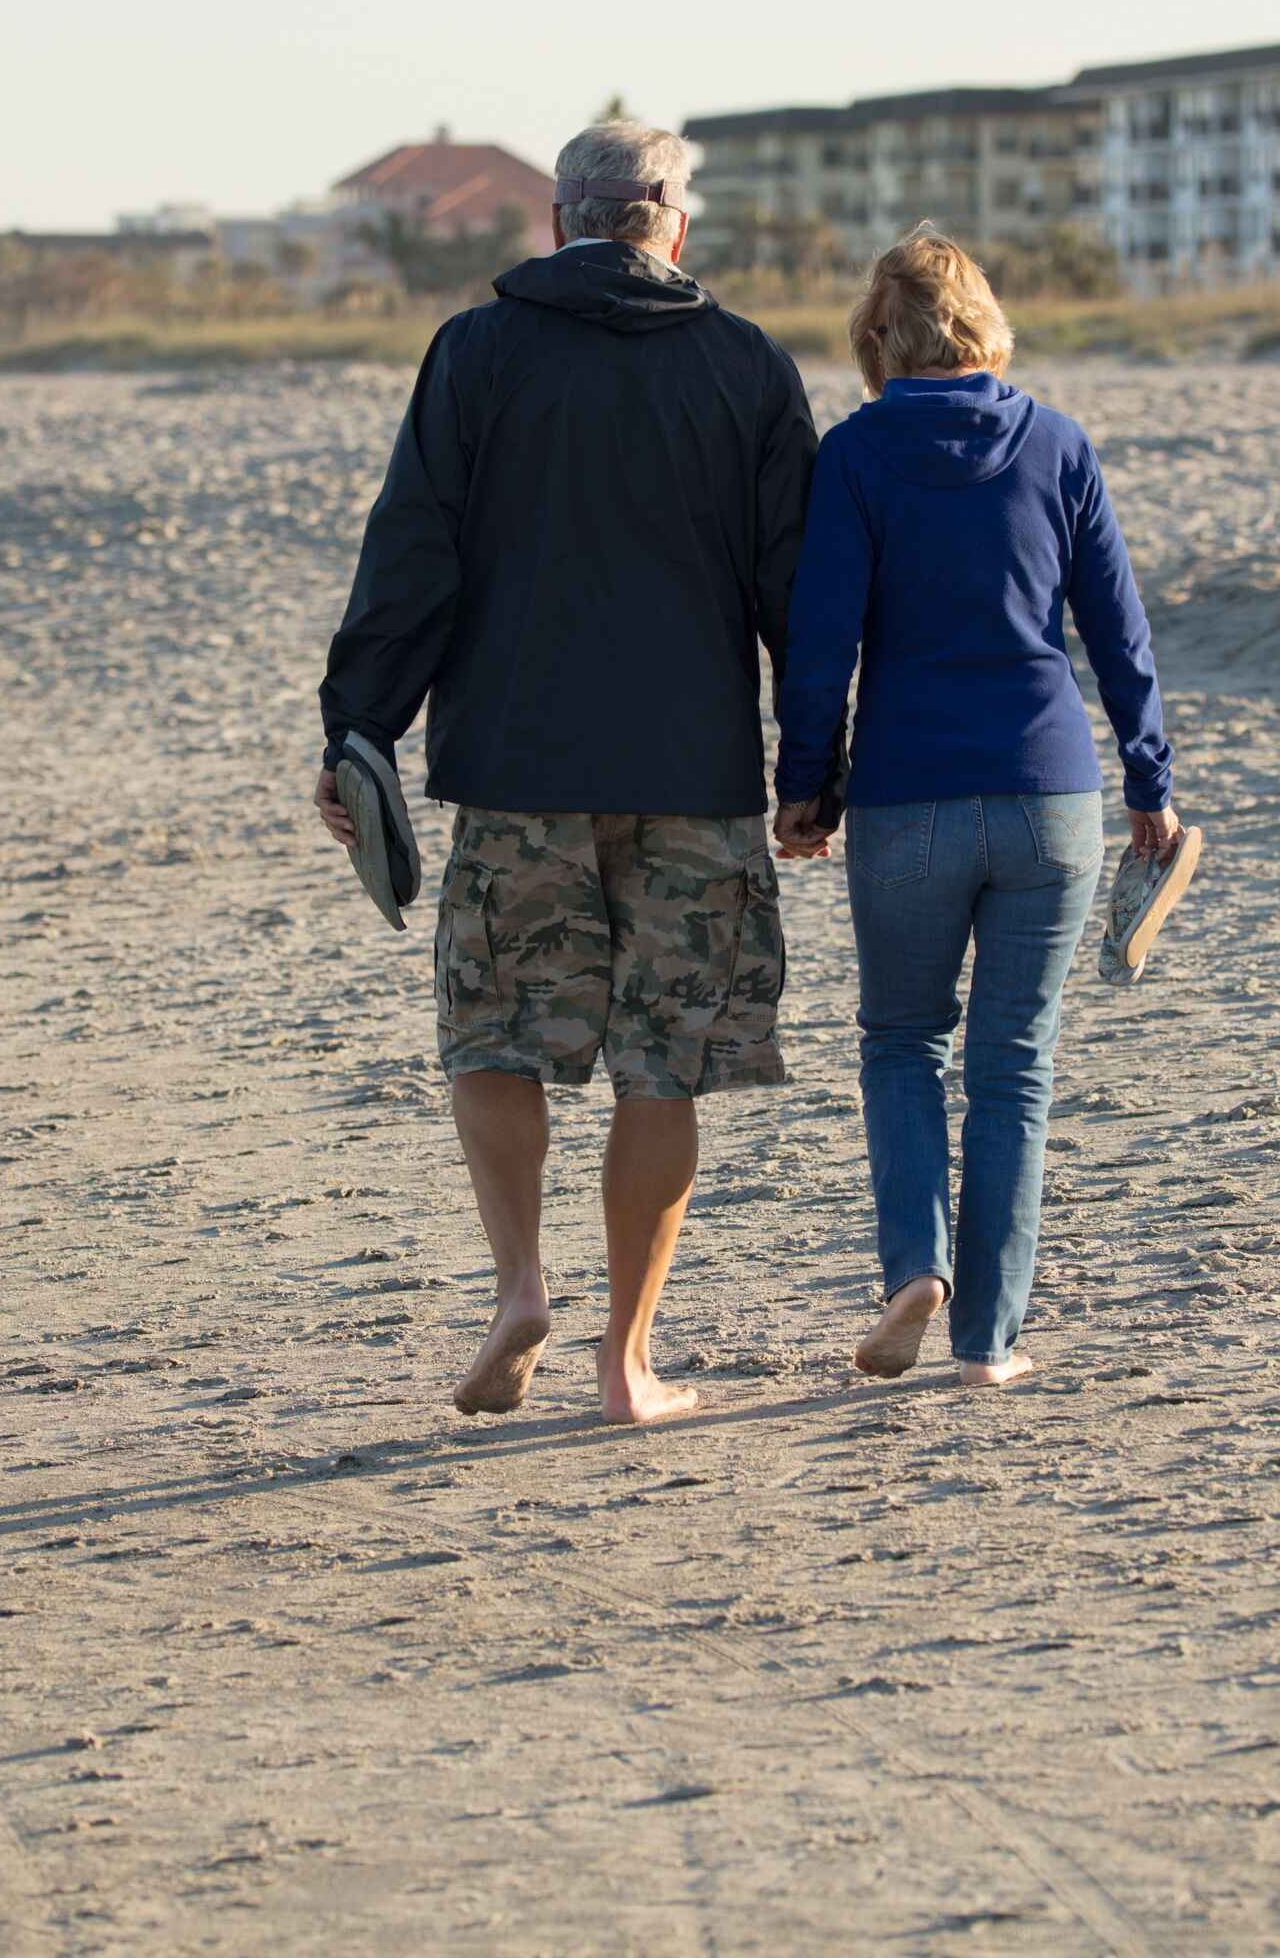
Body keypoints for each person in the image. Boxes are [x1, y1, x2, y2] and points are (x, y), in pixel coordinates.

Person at [315, 120, 819, 1426]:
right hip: (694, 775)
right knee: (665, 1065)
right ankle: (628, 1362)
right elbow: (797, 596)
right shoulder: (746, 366)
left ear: (558, 222)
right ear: (673, 225)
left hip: (518, 767)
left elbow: (414, 548)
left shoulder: (477, 353)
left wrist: (358, 726)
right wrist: (818, 763)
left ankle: (521, 1288)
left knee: (493, 1032)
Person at [772, 228, 1180, 1389]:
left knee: (902, 1041)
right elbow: (1118, 635)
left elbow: (823, 643)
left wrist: (807, 783)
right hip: (1052, 796)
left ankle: (916, 1265)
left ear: (877, 340)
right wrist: (1149, 782)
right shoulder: (1057, 444)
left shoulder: (854, 458)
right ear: (982, 323)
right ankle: (987, 1343)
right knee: (1014, 1063)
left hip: (909, 797)